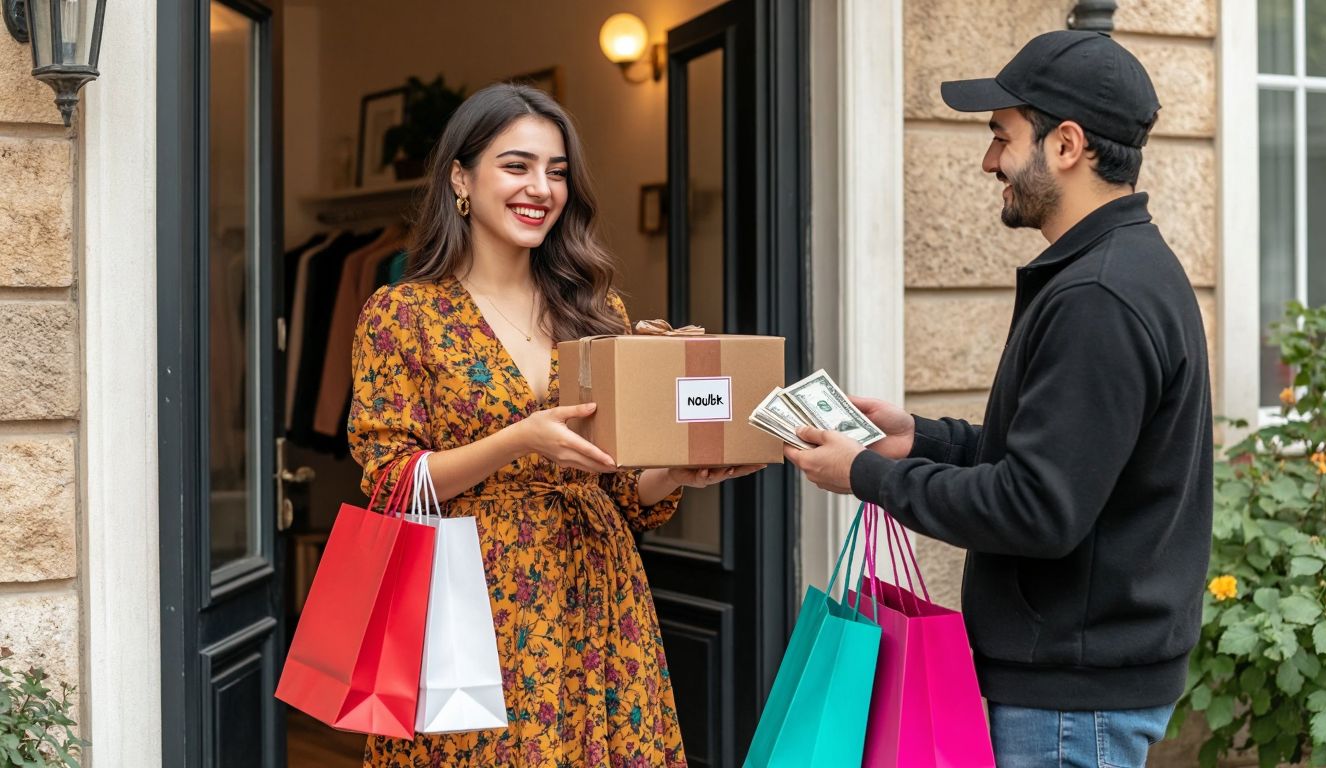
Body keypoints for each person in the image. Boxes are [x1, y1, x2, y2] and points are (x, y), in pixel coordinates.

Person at [784, 31, 1212, 767]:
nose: (990, 163)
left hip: (1072, 705)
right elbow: (1064, 464)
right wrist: (922, 438)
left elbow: (1037, 509)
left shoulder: (1100, 296)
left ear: (1068, 145)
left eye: (1001, 137)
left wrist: (865, 475)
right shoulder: (1110, 271)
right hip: (1076, 693)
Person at [348, 83, 760, 768]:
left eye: (557, 170)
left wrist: (676, 471)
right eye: (517, 165)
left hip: (599, 595)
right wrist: (521, 438)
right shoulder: (402, 315)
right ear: (461, 177)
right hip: (471, 608)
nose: (540, 187)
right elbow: (390, 481)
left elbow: (626, 494)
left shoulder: (598, 313)